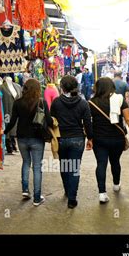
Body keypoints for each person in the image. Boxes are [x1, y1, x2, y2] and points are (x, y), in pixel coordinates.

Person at [88, 77, 129, 203]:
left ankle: (102, 193)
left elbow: (88, 122)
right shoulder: (120, 99)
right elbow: (128, 119)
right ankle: (116, 185)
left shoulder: (91, 102)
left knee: (101, 164)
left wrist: (89, 137)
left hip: (99, 139)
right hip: (117, 138)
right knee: (115, 161)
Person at [4, 79, 53, 206]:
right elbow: (49, 121)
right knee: (37, 167)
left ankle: (25, 190)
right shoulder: (41, 102)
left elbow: (13, 121)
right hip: (37, 138)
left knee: (26, 162)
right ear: (37, 89)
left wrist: (4, 132)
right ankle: (37, 198)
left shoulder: (18, 103)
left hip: (21, 138)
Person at [50, 75, 93, 209]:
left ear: (61, 87)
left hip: (61, 138)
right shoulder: (83, 103)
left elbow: (52, 120)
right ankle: (72, 199)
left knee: (64, 166)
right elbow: (87, 123)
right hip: (77, 139)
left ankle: (68, 191)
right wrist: (90, 138)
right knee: (74, 168)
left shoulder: (56, 102)